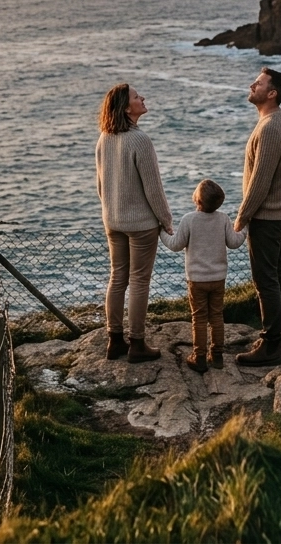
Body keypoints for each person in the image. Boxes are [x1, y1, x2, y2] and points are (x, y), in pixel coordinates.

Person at [95, 83, 174, 363]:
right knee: (139, 281)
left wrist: (111, 211)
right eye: (137, 97)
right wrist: (166, 220)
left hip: (112, 220)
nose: (142, 98)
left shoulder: (105, 137)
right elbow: (154, 189)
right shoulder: (140, 140)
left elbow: (101, 186)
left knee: (117, 278)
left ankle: (115, 341)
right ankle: (137, 344)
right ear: (127, 108)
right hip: (140, 224)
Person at [233, 68, 281, 367]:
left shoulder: (270, 127)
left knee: (265, 280)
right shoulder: (280, 121)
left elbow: (260, 182)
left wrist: (242, 216)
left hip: (268, 216)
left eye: (258, 83)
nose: (252, 85)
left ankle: (270, 345)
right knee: (279, 273)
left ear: (271, 93)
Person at [159, 179, 246, 373]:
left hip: (196, 280)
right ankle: (217, 355)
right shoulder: (223, 218)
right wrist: (245, 227)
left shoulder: (189, 219)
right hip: (218, 278)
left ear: (197, 199)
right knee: (216, 316)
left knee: (198, 318)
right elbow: (234, 242)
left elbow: (175, 245)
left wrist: (162, 231)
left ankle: (199, 356)